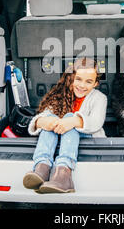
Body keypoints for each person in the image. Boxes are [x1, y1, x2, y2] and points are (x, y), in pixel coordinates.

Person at [23, 57, 107, 194]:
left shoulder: (99, 98)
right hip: (61, 136)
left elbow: (96, 123)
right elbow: (44, 116)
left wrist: (72, 121)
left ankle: (63, 173)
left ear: (96, 83)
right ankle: (42, 168)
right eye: (78, 79)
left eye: (89, 81)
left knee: (69, 116)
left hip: (89, 138)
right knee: (49, 118)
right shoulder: (60, 94)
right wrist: (43, 122)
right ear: (71, 77)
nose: (82, 85)